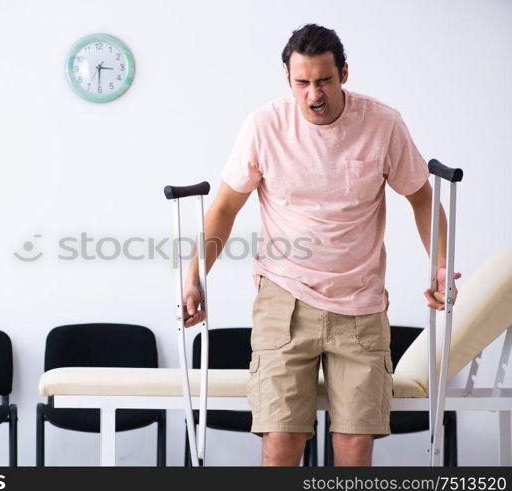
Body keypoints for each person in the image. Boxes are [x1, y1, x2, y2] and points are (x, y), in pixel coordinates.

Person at [181, 23, 462, 466]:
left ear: (344, 73)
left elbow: (422, 197)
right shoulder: (263, 126)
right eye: (303, 83)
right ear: (289, 81)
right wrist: (194, 276)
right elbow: (224, 208)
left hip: (361, 305)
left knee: (353, 450)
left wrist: (442, 266)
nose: (314, 94)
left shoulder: (383, 123)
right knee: (281, 444)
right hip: (284, 299)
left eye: (324, 80)